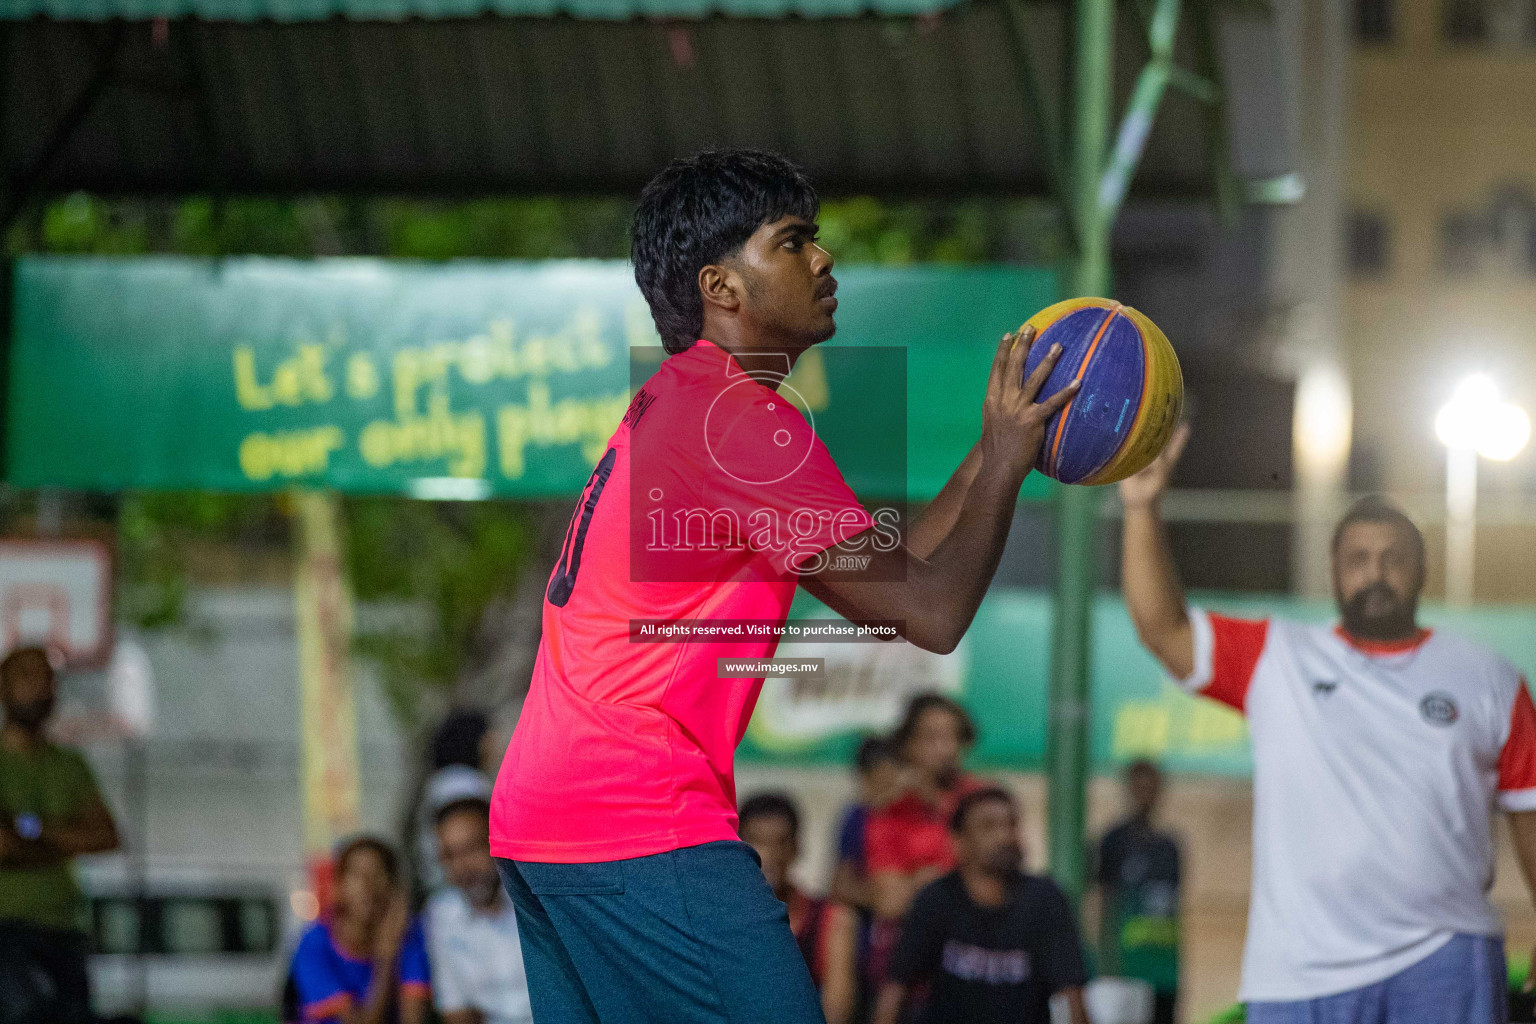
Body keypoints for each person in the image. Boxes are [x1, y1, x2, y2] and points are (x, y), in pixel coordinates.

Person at [489, 149, 1077, 1024]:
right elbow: (933, 613)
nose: (824, 258)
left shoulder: (682, 399)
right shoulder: (741, 421)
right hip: (636, 814)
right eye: (794, 241)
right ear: (721, 287)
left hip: (543, 817)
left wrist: (995, 453)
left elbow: (892, 575)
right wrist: (1006, 476)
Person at [1120, 423, 1536, 1024]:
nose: (1376, 574)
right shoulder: (1276, 655)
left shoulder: (1490, 678)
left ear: (1421, 570)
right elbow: (1164, 630)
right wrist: (1141, 508)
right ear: (1334, 571)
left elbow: (1529, 811)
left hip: (1445, 961)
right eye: (1358, 560)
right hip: (1296, 974)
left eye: (1394, 559)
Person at [872, 787, 1091, 1024]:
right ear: (959, 841)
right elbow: (896, 988)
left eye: (1011, 824)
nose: (1005, 836)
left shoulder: (1045, 900)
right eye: (988, 826)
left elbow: (1072, 995)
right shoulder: (937, 899)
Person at [0, 646, 119, 1024]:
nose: (40, 689)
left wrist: (29, 832)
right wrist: (65, 839)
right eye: (28, 678)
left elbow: (107, 836)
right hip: (6, 933)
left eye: (47, 680)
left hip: (64, 927)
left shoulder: (69, 764)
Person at [738, 793, 859, 1024]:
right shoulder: (722, 920)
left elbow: (836, 1013)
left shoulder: (833, 920)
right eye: (757, 842)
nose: (769, 856)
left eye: (780, 842)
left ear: (797, 847)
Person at [289, 836, 431, 1024]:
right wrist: (387, 958)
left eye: (377, 873)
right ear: (339, 885)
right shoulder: (314, 943)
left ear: (394, 887)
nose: (366, 885)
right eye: (356, 874)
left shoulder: (409, 937)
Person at [426, 798, 533, 1024]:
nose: (463, 867)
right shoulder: (442, 915)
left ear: (497, 843)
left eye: (472, 849)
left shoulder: (534, 900)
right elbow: (456, 1010)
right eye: (451, 855)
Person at [1094, 760, 1181, 1024]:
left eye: (1152, 788)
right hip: (1127, 969)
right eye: (1139, 788)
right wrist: (1106, 965)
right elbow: (1101, 902)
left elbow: (1173, 910)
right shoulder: (1113, 841)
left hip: (1163, 970)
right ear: (1128, 790)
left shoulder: (1170, 846)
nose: (1146, 796)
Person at [829, 735, 906, 909]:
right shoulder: (856, 820)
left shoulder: (910, 817)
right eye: (885, 781)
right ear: (865, 777)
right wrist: (885, 900)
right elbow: (841, 885)